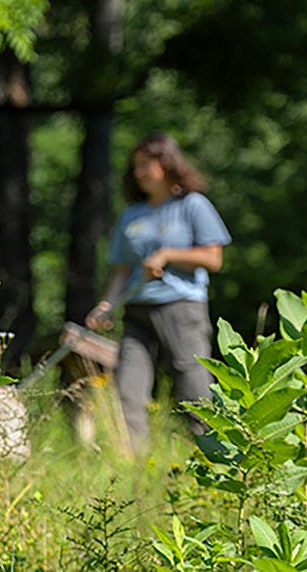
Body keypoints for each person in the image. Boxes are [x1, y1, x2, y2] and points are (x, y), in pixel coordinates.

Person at [85, 132, 231, 453]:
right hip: (137, 309)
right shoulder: (132, 214)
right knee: (128, 388)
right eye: (134, 166)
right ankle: (133, 466)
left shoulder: (192, 205)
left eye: (145, 164)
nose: (138, 172)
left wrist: (169, 255)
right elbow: (123, 269)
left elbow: (213, 258)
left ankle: (214, 459)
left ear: (166, 163)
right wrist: (106, 306)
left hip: (181, 307)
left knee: (192, 383)